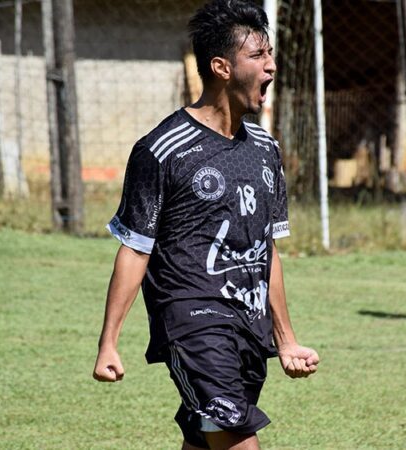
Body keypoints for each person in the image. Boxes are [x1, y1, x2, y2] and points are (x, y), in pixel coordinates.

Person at [92, 1, 320, 448]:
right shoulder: (162, 149)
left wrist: (286, 340)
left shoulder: (265, 149)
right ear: (221, 67)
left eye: (270, 54)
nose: (271, 66)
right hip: (192, 322)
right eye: (257, 56)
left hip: (248, 326)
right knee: (237, 438)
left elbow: (266, 249)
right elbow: (136, 248)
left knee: (205, 440)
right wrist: (109, 343)